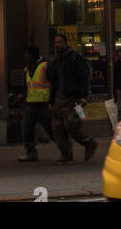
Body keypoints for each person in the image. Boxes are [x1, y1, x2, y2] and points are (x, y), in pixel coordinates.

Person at [47, 34, 98, 164]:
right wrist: (51, 100)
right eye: (55, 43)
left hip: (72, 99)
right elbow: (52, 81)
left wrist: (83, 96)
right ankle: (66, 153)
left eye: (60, 42)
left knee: (72, 126)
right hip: (58, 100)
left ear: (65, 43)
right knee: (58, 129)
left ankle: (89, 143)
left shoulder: (75, 58)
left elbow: (84, 77)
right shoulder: (55, 61)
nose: (57, 45)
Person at [17, 45, 52, 162]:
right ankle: (31, 152)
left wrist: (52, 101)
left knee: (51, 128)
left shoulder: (45, 66)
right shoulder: (27, 69)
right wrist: (23, 96)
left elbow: (54, 83)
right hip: (31, 104)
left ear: (34, 55)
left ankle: (65, 150)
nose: (25, 56)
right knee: (26, 127)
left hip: (44, 103)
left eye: (27, 54)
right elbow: (27, 86)